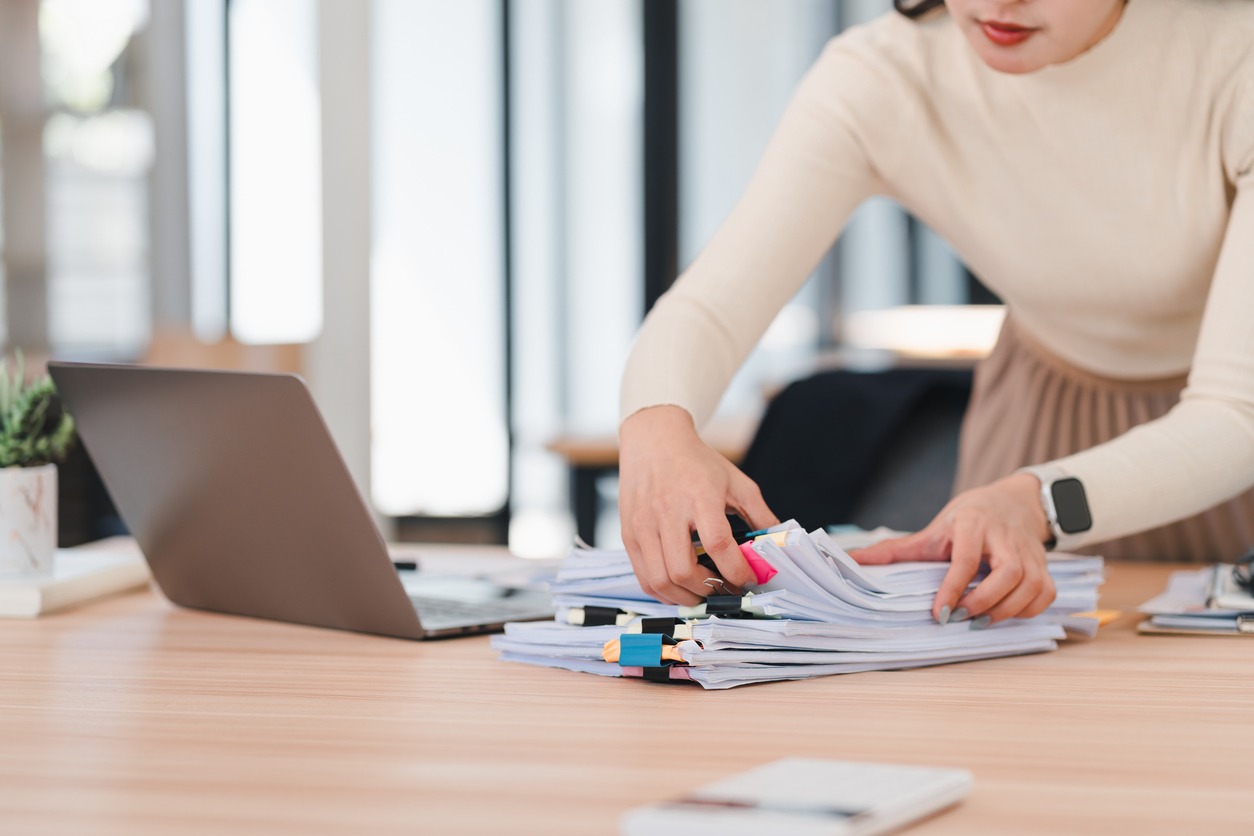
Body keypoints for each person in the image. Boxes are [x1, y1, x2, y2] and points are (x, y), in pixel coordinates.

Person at [616, 0, 1254, 626]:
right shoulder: (886, 74)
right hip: (1042, 414)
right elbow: (710, 305)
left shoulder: (1231, 59)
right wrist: (657, 431)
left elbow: (1237, 410)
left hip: (1223, 441)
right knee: (1009, 699)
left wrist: (1036, 502)